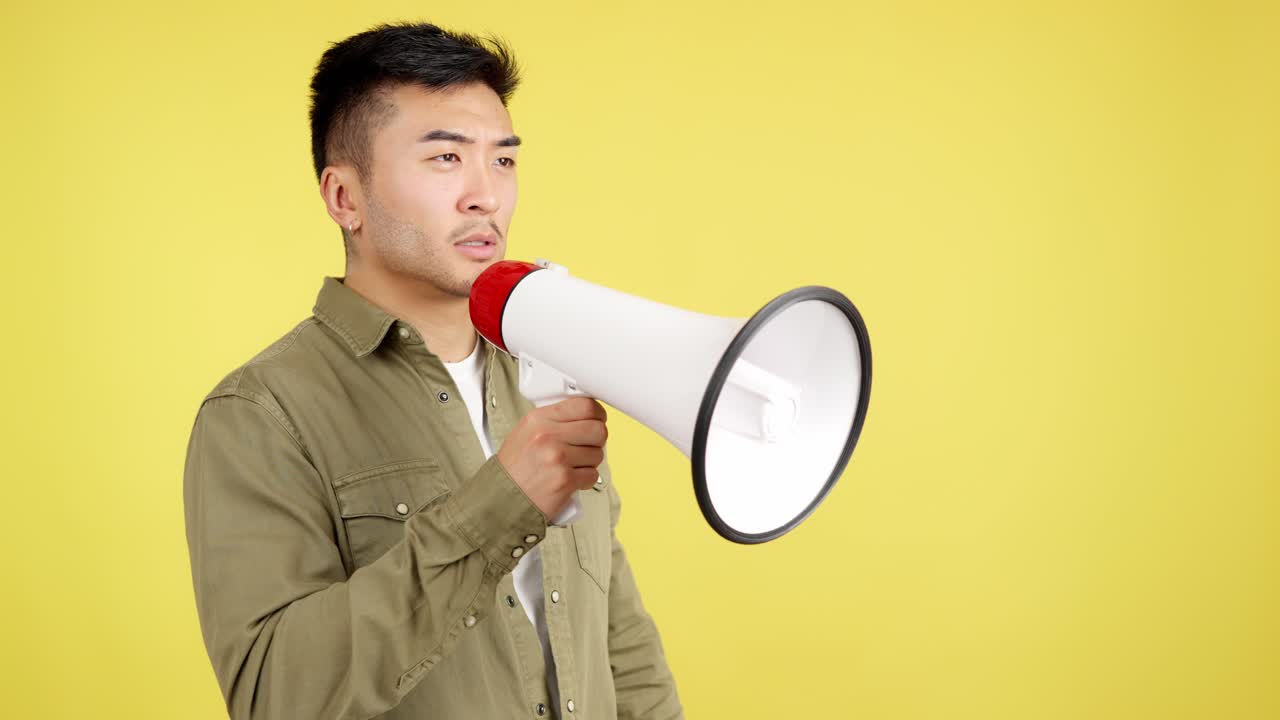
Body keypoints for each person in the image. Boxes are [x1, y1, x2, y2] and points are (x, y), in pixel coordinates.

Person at [182, 21, 683, 720]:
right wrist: (500, 504)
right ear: (343, 198)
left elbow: (621, 648)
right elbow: (275, 695)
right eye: (446, 159)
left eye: (503, 161)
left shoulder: (544, 372)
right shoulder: (260, 413)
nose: (487, 196)